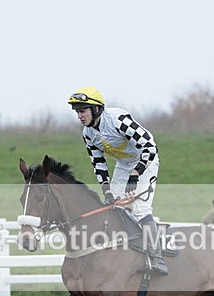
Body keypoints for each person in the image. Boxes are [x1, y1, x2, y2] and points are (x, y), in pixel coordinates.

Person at [68, 86, 168, 275]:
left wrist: (136, 174)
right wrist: (107, 191)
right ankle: (129, 250)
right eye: (77, 112)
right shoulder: (87, 134)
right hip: (123, 165)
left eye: (82, 111)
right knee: (115, 206)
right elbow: (99, 164)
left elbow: (150, 147)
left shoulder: (118, 120)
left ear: (96, 109)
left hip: (145, 161)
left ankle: (157, 258)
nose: (79, 116)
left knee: (140, 209)